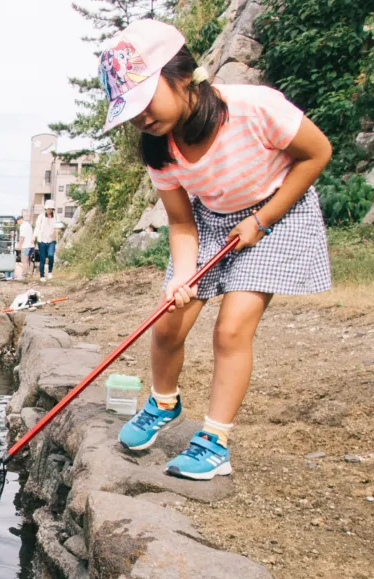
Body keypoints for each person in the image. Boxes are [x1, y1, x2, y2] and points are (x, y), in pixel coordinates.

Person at [101, 19, 332, 480]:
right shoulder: (159, 147)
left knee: (230, 330)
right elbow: (182, 221)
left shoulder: (253, 107)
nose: (141, 117)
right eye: (130, 110)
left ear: (182, 75)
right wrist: (182, 278)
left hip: (277, 214)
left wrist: (262, 221)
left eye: (146, 100)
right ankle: (164, 403)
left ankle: (214, 441)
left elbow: (318, 153)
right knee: (169, 322)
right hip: (208, 223)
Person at [33, 202, 58, 283]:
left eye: (51, 209)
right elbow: (37, 227)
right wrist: (34, 236)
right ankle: (42, 275)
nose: (50, 210)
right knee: (42, 258)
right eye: (48, 209)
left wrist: (58, 231)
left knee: (51, 255)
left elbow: (59, 226)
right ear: (46, 209)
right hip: (42, 240)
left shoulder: (56, 216)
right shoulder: (41, 217)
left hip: (52, 240)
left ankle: (50, 272)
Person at [17, 214, 36, 281]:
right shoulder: (28, 224)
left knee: (24, 261)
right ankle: (30, 274)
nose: (18, 223)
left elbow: (22, 237)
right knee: (31, 261)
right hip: (32, 246)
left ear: (19, 220)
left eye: (17, 222)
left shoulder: (22, 226)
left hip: (25, 246)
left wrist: (19, 246)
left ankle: (24, 275)